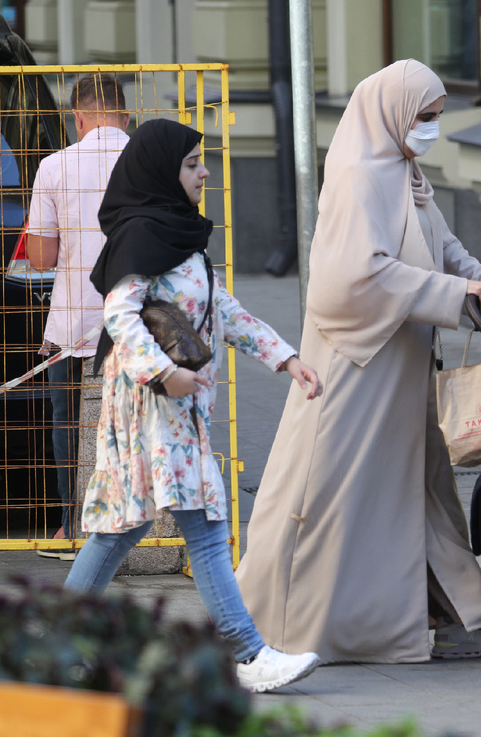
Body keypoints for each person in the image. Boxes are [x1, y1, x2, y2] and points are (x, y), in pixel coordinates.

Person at [234, 59, 481, 664]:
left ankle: (462, 621)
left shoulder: (404, 170)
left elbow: (439, 243)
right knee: (331, 496)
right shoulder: (356, 175)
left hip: (401, 363)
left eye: (437, 116)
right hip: (357, 367)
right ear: (393, 112)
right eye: (425, 116)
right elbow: (349, 278)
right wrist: (455, 295)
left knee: (423, 490)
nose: (431, 127)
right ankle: (280, 624)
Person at [64, 118, 324, 694]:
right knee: (204, 524)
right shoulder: (141, 235)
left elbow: (220, 308)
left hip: (175, 406)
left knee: (120, 530)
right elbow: (118, 315)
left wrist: (285, 358)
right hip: (152, 406)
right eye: (191, 163)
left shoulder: (179, 234)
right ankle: (248, 654)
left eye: (201, 161)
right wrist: (163, 372)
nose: (204, 171)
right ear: (161, 170)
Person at [26, 73, 130, 559]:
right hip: (137, 322)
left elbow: (42, 259)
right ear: (126, 117)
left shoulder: (54, 166)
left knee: (67, 423)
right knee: (129, 423)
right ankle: (133, 527)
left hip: (73, 322)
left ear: (78, 117)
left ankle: (71, 527)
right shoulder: (149, 161)